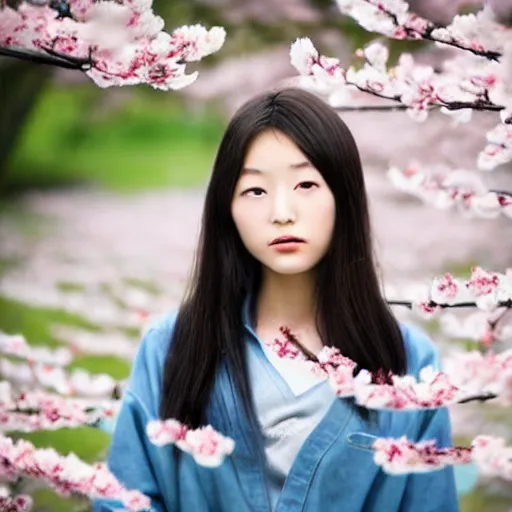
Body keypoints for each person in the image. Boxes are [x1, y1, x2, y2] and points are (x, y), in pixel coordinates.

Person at [93, 88, 458, 512]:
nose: (282, 212)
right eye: (256, 191)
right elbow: (125, 501)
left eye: (306, 184)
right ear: (227, 208)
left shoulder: (410, 361)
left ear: (344, 197)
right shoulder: (171, 347)